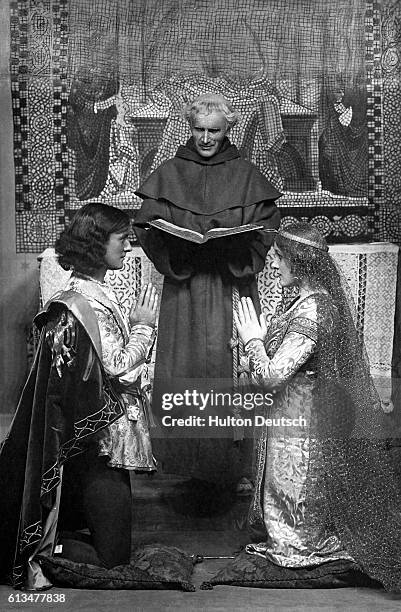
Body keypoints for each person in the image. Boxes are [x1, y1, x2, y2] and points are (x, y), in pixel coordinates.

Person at [234, 222, 401, 592]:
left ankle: (302, 544)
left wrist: (253, 342)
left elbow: (272, 375)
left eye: (277, 258)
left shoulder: (313, 309)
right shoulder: (299, 301)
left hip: (302, 427)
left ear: (299, 261)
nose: (271, 266)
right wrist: (254, 346)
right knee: (282, 497)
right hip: (289, 419)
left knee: (296, 522)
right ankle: (294, 540)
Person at [0, 203, 158, 590]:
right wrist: (143, 327)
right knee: (113, 561)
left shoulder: (91, 292)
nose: (128, 244)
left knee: (114, 548)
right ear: (96, 242)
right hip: (100, 442)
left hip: (103, 437)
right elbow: (118, 366)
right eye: (121, 238)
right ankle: (36, 549)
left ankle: (51, 540)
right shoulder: (81, 302)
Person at [133, 93, 281, 494]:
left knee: (227, 367)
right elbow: (147, 228)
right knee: (185, 367)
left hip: (230, 284)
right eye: (198, 129)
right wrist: (178, 244)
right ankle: (186, 463)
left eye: (213, 130)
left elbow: (267, 228)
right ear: (189, 127)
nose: (205, 138)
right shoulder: (170, 171)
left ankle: (232, 467)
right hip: (185, 288)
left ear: (227, 129)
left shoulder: (246, 174)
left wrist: (230, 245)